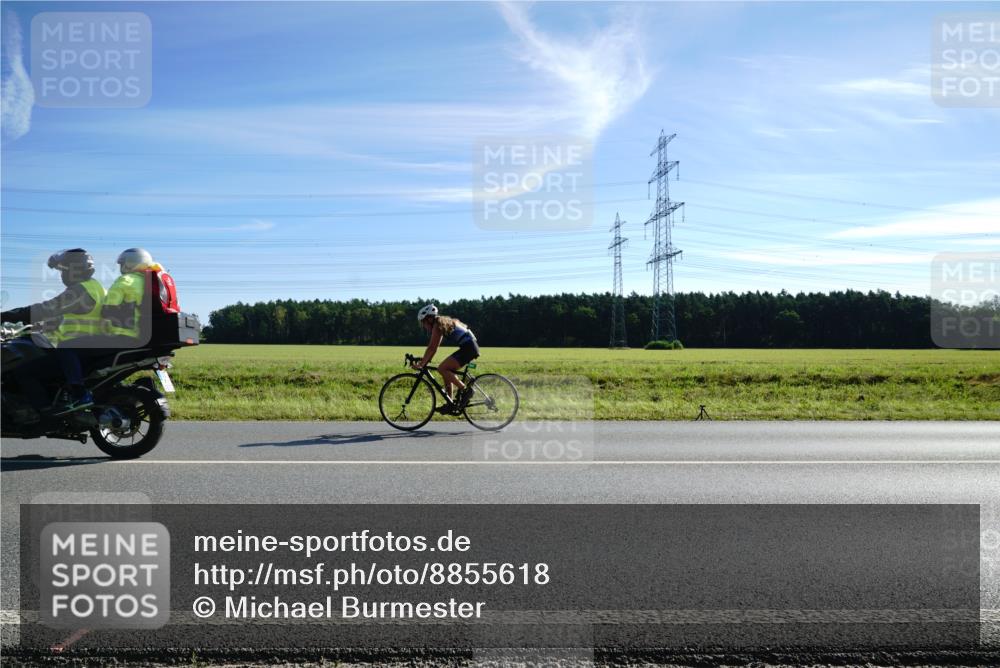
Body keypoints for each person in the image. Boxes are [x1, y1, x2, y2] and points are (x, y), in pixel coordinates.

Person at [0, 248, 106, 413]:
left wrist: (5, 316)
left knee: (25, 372)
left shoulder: (80, 291)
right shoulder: (95, 287)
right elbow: (69, 316)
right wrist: (42, 326)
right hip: (88, 347)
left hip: (77, 348)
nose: (61, 275)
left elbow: (45, 309)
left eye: (63, 270)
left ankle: (45, 413)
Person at [411, 304, 480, 408]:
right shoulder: (442, 322)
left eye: (423, 322)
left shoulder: (437, 325)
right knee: (445, 369)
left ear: (429, 319)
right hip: (469, 347)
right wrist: (425, 359)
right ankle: (450, 402)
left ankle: (466, 390)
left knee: (442, 368)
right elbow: (433, 349)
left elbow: (432, 348)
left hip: (469, 348)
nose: (423, 326)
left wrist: (421, 364)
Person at [102, 247, 160, 346]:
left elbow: (107, 309)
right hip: (144, 335)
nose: (121, 267)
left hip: (122, 335)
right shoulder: (151, 281)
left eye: (122, 263)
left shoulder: (125, 280)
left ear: (130, 263)